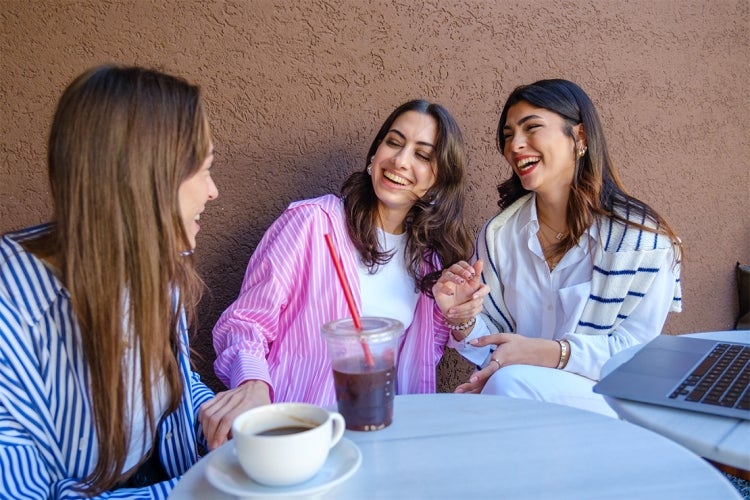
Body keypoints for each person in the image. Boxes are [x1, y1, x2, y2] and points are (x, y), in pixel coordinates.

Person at [202, 99, 484, 449]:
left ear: (437, 181)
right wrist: (252, 383)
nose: (400, 160)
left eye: (422, 155)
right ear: (373, 155)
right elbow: (245, 322)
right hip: (295, 432)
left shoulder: (429, 264)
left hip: (380, 438)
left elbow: (427, 356)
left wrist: (457, 316)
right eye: (394, 143)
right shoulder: (312, 223)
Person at [0, 65, 219, 497]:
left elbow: (174, 383)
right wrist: (216, 488)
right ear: (146, 180)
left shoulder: (158, 260)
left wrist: (222, 422)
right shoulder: (12, 309)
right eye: (204, 170)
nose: (213, 191)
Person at [434, 79, 683, 416]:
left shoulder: (644, 240)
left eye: (531, 128)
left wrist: (549, 354)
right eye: (508, 135)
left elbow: (635, 353)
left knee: (505, 387)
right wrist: (462, 318)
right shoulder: (499, 235)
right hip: (519, 395)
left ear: (579, 138)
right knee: (497, 391)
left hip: (613, 403)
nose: (515, 145)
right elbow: (492, 343)